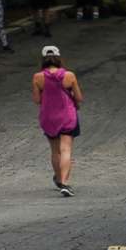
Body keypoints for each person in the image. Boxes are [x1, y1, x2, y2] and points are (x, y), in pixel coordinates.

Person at [35, 45, 83, 196]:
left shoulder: (37, 77)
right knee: (66, 150)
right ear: (59, 58)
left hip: (49, 116)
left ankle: (58, 179)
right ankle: (65, 183)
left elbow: (37, 100)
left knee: (55, 151)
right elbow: (79, 97)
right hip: (67, 115)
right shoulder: (69, 75)